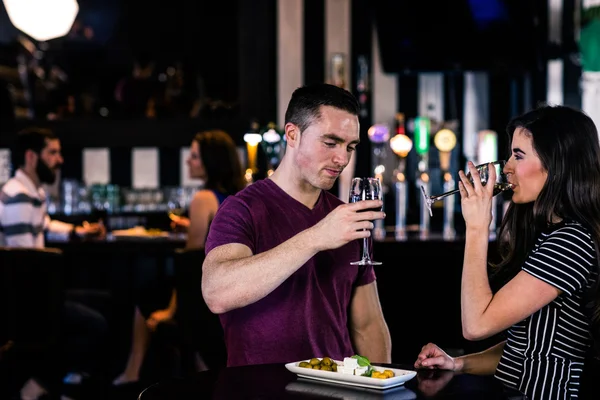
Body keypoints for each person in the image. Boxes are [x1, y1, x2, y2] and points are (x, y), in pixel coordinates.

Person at [414, 105, 600, 400]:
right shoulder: (552, 234)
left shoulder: (571, 242)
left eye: (518, 155)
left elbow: (475, 326)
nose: (507, 167)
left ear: (556, 163)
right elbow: (527, 347)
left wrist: (476, 228)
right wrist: (457, 363)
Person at [202, 83, 392, 367]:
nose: (342, 159)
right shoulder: (242, 209)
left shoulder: (346, 217)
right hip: (258, 390)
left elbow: (367, 325)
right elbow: (217, 292)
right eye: (330, 143)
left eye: (350, 147)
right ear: (292, 134)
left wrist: (382, 385)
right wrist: (316, 237)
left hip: (337, 389)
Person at [112, 129, 245, 385]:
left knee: (145, 292)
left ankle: (133, 372)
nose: (188, 161)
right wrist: (191, 225)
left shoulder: (203, 198)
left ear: (210, 161)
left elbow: (191, 267)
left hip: (203, 299)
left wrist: (171, 311)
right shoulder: (239, 196)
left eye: (194, 156)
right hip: (233, 292)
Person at [0, 127, 107, 399]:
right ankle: (49, 385)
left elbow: (43, 224)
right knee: (95, 324)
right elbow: (22, 259)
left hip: (31, 291)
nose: (60, 160)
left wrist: (77, 231)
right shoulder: (18, 195)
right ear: (31, 157)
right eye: (53, 153)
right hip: (20, 299)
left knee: (104, 302)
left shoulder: (32, 190)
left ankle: (53, 383)